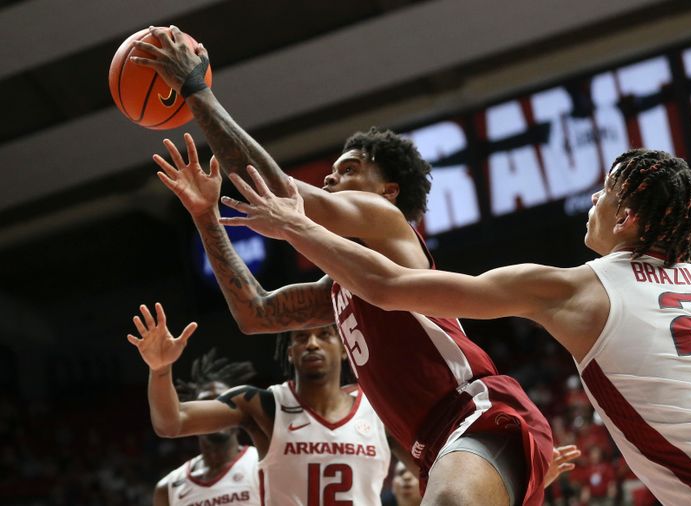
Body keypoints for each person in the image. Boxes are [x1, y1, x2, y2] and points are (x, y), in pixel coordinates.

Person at [219, 149, 691, 505]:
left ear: (625, 219)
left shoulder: (575, 288)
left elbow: (391, 289)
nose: (594, 198)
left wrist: (297, 226)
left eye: (606, 191)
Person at [134, 26, 554, 505]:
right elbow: (255, 313)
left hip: (475, 413)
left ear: (388, 190)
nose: (333, 175)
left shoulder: (386, 220)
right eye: (333, 170)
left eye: (350, 168)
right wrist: (207, 217)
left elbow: (280, 193)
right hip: (437, 445)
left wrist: (197, 91)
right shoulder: (338, 288)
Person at [127, 303, 392, 505]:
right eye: (301, 338)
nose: (312, 343)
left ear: (344, 346)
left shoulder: (378, 408)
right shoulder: (263, 406)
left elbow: (425, 469)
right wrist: (160, 370)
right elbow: (171, 422)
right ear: (290, 353)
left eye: (324, 334)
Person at [151, 348, 260, 506]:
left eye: (223, 403)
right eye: (206, 403)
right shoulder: (167, 488)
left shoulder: (264, 464)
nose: (215, 411)